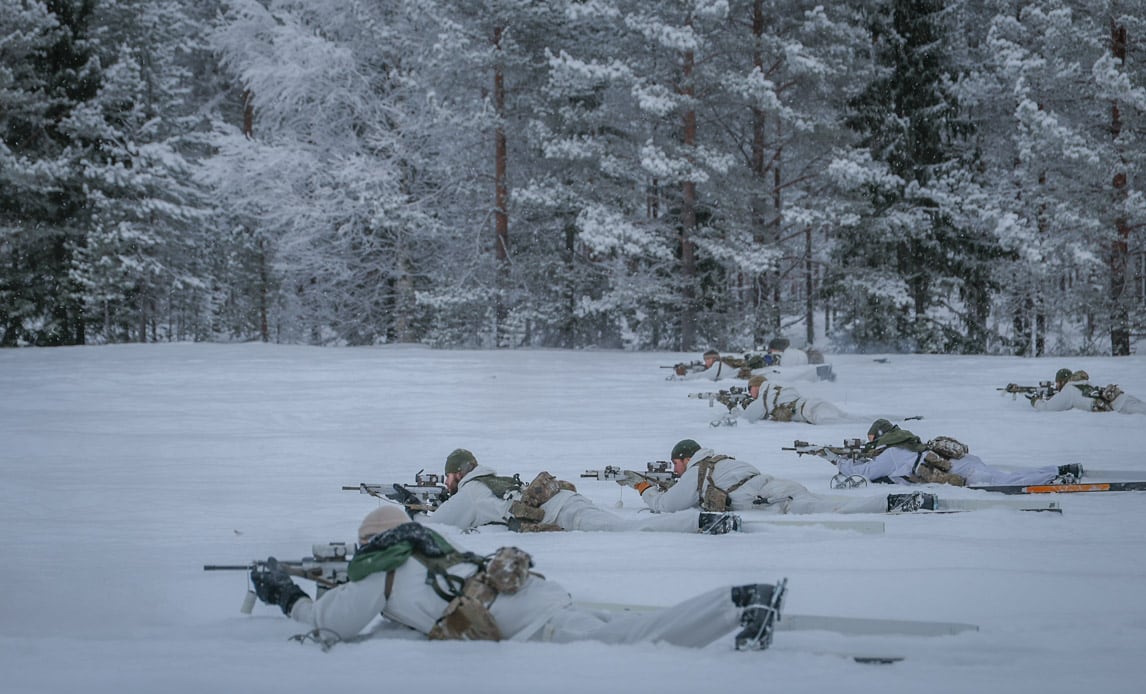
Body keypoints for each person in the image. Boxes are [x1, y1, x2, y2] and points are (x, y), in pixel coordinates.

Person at [248, 503, 786, 650]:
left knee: (631, 639)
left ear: (371, 544)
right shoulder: (431, 546)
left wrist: (287, 596)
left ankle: (739, 603)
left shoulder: (379, 570)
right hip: (534, 596)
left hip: (526, 620)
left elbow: (333, 625)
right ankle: (738, 604)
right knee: (610, 626)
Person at [431, 448, 736, 534]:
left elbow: (438, 525)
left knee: (630, 529)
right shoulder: (490, 482)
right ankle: (703, 522)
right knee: (627, 527)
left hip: (565, 512)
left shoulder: (470, 492)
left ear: (458, 473)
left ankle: (702, 522)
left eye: (447, 477)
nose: (446, 484)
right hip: (565, 501)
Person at [618, 439, 938, 514]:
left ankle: (895, 504)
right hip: (776, 486)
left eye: (675, 464)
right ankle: (896, 500)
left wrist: (642, 486)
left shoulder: (695, 473)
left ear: (686, 459)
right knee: (829, 502)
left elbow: (666, 506)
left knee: (835, 510)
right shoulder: (719, 461)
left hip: (772, 500)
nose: (674, 470)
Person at [832, 419, 1083, 488]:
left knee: (1007, 482)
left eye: (872, 439)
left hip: (963, 469)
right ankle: (1058, 471)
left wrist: (837, 461)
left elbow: (865, 473)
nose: (871, 444)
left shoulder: (892, 453)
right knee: (1006, 477)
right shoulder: (906, 443)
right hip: (963, 462)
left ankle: (1055, 477)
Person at [737, 375, 847, 425]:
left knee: (843, 425)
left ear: (756, 386)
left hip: (811, 412)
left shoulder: (766, 397)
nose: (749, 393)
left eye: (750, 388)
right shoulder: (775, 390)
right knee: (850, 420)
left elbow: (745, 419)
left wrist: (734, 410)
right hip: (814, 404)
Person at [1030, 369, 1146, 415]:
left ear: (1062, 382)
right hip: (1122, 398)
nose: (1057, 386)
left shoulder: (1069, 390)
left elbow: (1048, 408)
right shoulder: (1086, 384)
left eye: (1058, 383)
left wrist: (1035, 401)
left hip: (1119, 408)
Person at [670, 349, 736, 381]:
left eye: (707, 359)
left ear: (714, 358)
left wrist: (684, 375)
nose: (705, 361)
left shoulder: (718, 366)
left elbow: (702, 376)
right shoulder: (721, 364)